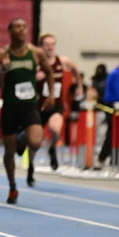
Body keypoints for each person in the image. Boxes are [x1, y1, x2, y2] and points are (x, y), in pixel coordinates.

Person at [0, 18, 54, 204]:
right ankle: (12, 187)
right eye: (17, 27)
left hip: (29, 106)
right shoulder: (2, 54)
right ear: (9, 31)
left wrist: (51, 95)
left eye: (24, 27)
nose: (21, 30)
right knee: (9, 151)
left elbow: (49, 72)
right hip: (10, 107)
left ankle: (22, 139)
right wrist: (3, 71)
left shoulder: (35, 52)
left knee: (35, 142)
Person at [36, 32, 79, 170]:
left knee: (55, 129)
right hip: (39, 106)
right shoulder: (37, 63)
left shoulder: (62, 61)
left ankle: (52, 148)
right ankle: (30, 164)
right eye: (47, 45)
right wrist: (36, 76)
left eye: (52, 44)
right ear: (41, 46)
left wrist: (78, 85)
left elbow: (75, 69)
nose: (50, 47)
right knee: (34, 140)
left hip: (56, 105)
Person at [96, 57, 119, 169]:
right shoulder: (117, 75)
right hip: (113, 107)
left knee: (116, 133)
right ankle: (103, 158)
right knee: (113, 133)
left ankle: (113, 159)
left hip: (116, 106)